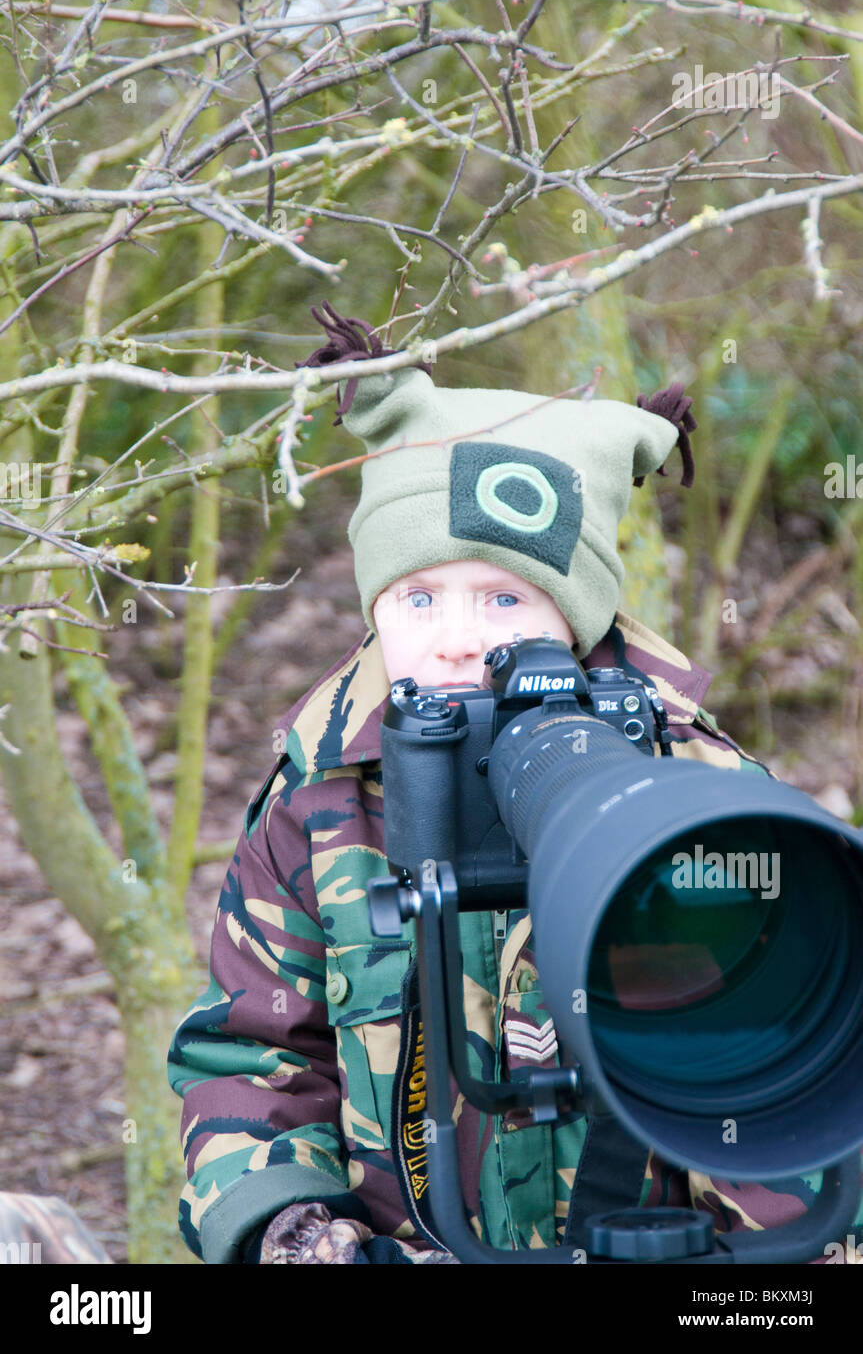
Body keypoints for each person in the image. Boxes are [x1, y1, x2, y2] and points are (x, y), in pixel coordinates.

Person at [168, 303, 861, 1265]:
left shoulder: (690, 782)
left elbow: (782, 1044)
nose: (459, 638)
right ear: (374, 609)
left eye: (504, 598)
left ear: (574, 616)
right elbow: (253, 1052)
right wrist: (294, 1231)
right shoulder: (319, 807)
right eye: (419, 597)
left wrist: (777, 1259)